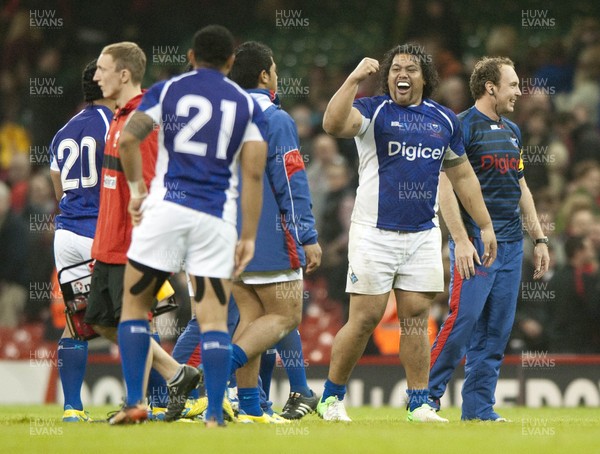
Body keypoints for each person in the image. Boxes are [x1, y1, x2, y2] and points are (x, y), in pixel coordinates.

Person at [316, 43, 496, 423]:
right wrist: (352, 80)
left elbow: (462, 175)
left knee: (416, 316)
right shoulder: (373, 109)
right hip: (373, 231)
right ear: (387, 76)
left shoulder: (444, 120)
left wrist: (483, 225)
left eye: (410, 69)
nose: (402, 74)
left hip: (422, 234)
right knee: (365, 317)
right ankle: (330, 398)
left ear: (424, 77)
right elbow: (332, 124)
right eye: (396, 68)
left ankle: (419, 403)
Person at [113, 25, 267, 427]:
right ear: (232, 62)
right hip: (215, 219)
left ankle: (135, 402)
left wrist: (135, 191)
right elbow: (252, 174)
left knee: (134, 307)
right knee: (214, 320)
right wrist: (248, 235)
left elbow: (128, 142)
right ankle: (214, 414)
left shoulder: (166, 90)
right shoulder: (246, 104)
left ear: (190, 56)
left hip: (165, 210)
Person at [428, 56, 550, 421]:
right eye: (512, 85)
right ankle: (424, 399)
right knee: (462, 322)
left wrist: (540, 238)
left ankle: (479, 410)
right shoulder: (461, 126)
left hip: (512, 246)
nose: (518, 91)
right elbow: (445, 186)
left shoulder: (513, 130)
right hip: (477, 246)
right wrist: (461, 239)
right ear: (490, 87)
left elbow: (521, 187)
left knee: (495, 334)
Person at [84, 41, 198, 422]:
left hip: (132, 243)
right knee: (99, 320)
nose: (95, 75)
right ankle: (174, 373)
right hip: (108, 241)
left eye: (102, 68)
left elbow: (148, 185)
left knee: (131, 319)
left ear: (124, 74)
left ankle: (138, 402)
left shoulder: (144, 118)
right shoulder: (119, 117)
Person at [227, 41, 321, 422]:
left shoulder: (225, 117)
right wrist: (308, 236)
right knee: (285, 316)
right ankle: (217, 372)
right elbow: (291, 181)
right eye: (276, 69)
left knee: (249, 319)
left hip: (226, 236)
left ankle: (249, 406)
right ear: (265, 74)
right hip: (267, 234)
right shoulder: (275, 118)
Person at [49, 59, 115, 422]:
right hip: (100, 234)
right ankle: (151, 400)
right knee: (138, 315)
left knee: (75, 321)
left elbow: (58, 188)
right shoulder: (113, 126)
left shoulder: (63, 131)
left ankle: (72, 407)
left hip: (66, 234)